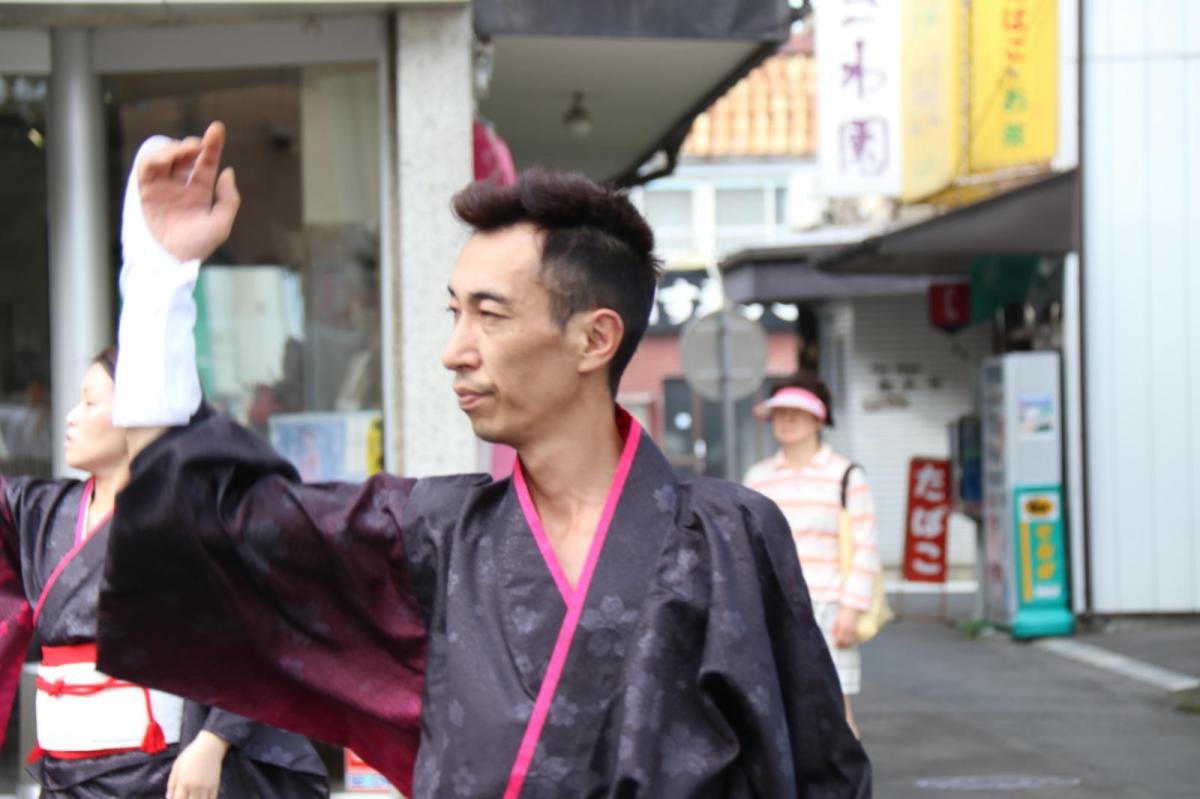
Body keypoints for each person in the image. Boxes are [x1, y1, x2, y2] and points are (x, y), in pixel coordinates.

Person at [93, 122, 871, 797]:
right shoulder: (433, 534)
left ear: (594, 339)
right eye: (452, 312)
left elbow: (818, 771)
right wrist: (160, 280)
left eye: (488, 314)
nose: (453, 351)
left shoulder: (731, 537)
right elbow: (205, 527)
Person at [0, 348, 330, 799]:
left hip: (159, 771)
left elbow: (262, 632)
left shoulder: (194, 517)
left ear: (140, 414)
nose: (71, 417)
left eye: (91, 403)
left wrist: (213, 743)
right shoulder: (39, 510)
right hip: (62, 777)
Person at [743, 374, 883, 738]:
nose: (787, 421)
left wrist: (851, 609)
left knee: (837, 711)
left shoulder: (845, 475)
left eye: (797, 414)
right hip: (773, 607)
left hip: (829, 607)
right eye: (779, 414)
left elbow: (865, 546)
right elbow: (746, 547)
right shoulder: (758, 478)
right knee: (780, 710)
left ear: (818, 420)